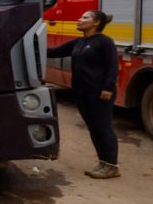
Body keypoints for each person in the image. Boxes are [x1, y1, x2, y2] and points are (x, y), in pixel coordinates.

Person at [48, 10, 120, 178]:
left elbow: (113, 66)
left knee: (103, 127)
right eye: (81, 16)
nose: (80, 19)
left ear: (96, 23)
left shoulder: (104, 42)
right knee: (93, 128)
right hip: (82, 93)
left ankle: (112, 165)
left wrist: (108, 88)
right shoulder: (78, 42)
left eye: (85, 17)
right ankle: (103, 162)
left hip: (100, 93)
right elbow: (53, 52)